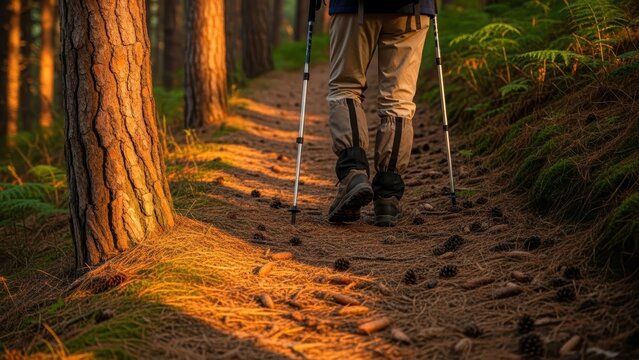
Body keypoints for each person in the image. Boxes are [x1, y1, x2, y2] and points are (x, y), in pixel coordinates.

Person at [326, 0, 435, 227]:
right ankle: (388, 194)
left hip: (352, 7)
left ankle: (353, 173)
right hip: (413, 10)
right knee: (399, 100)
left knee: (346, 87)